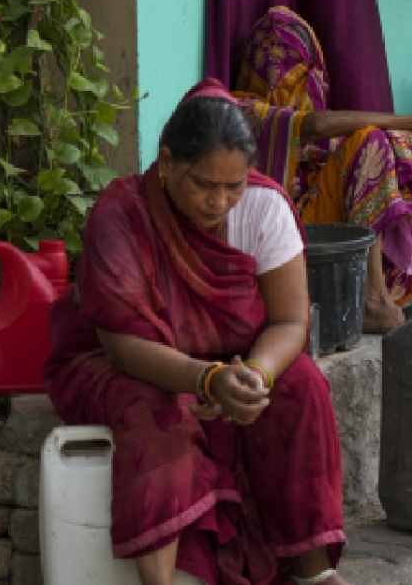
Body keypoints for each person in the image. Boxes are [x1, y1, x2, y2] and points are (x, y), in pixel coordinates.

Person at [46, 94, 351, 585]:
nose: (218, 202)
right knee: (160, 408)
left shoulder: (264, 208)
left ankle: (314, 573)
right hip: (123, 360)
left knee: (302, 386)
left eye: (234, 186)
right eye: (203, 185)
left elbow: (290, 321)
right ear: (167, 163)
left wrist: (255, 377)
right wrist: (207, 380)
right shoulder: (121, 215)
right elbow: (123, 344)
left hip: (235, 358)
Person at [222, 5, 412, 333]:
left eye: (298, 76)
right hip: (284, 240)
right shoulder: (242, 110)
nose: (283, 83)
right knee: (371, 142)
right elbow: (314, 125)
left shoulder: (325, 135)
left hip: (328, 232)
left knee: (403, 147)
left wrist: (409, 135)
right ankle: (371, 302)